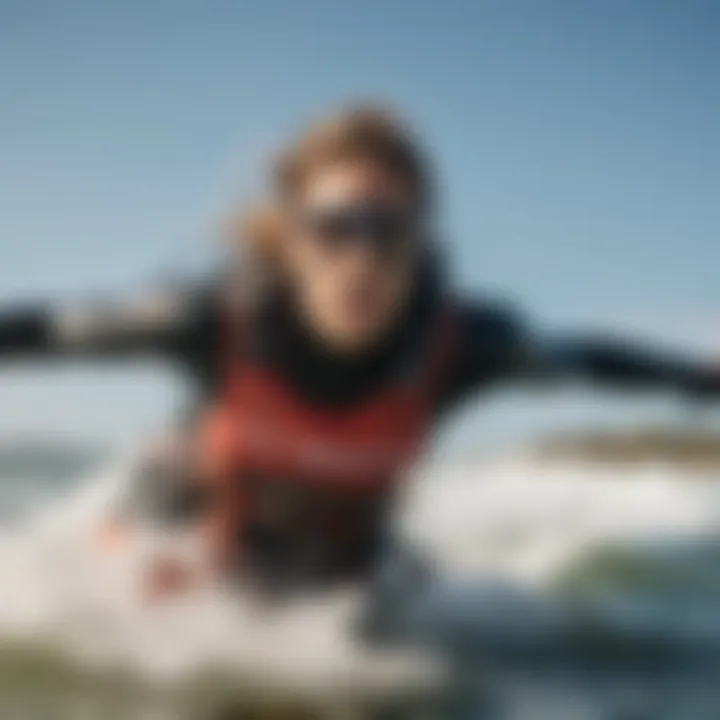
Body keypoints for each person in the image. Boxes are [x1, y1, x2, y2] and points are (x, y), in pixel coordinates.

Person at [1, 105, 718, 597]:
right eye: (336, 227)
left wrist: (699, 379)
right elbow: (49, 330)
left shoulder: (463, 343)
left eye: (389, 231)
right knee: (156, 586)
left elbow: (595, 360)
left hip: (340, 550)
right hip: (190, 521)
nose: (363, 258)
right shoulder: (209, 316)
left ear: (420, 247)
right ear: (290, 240)